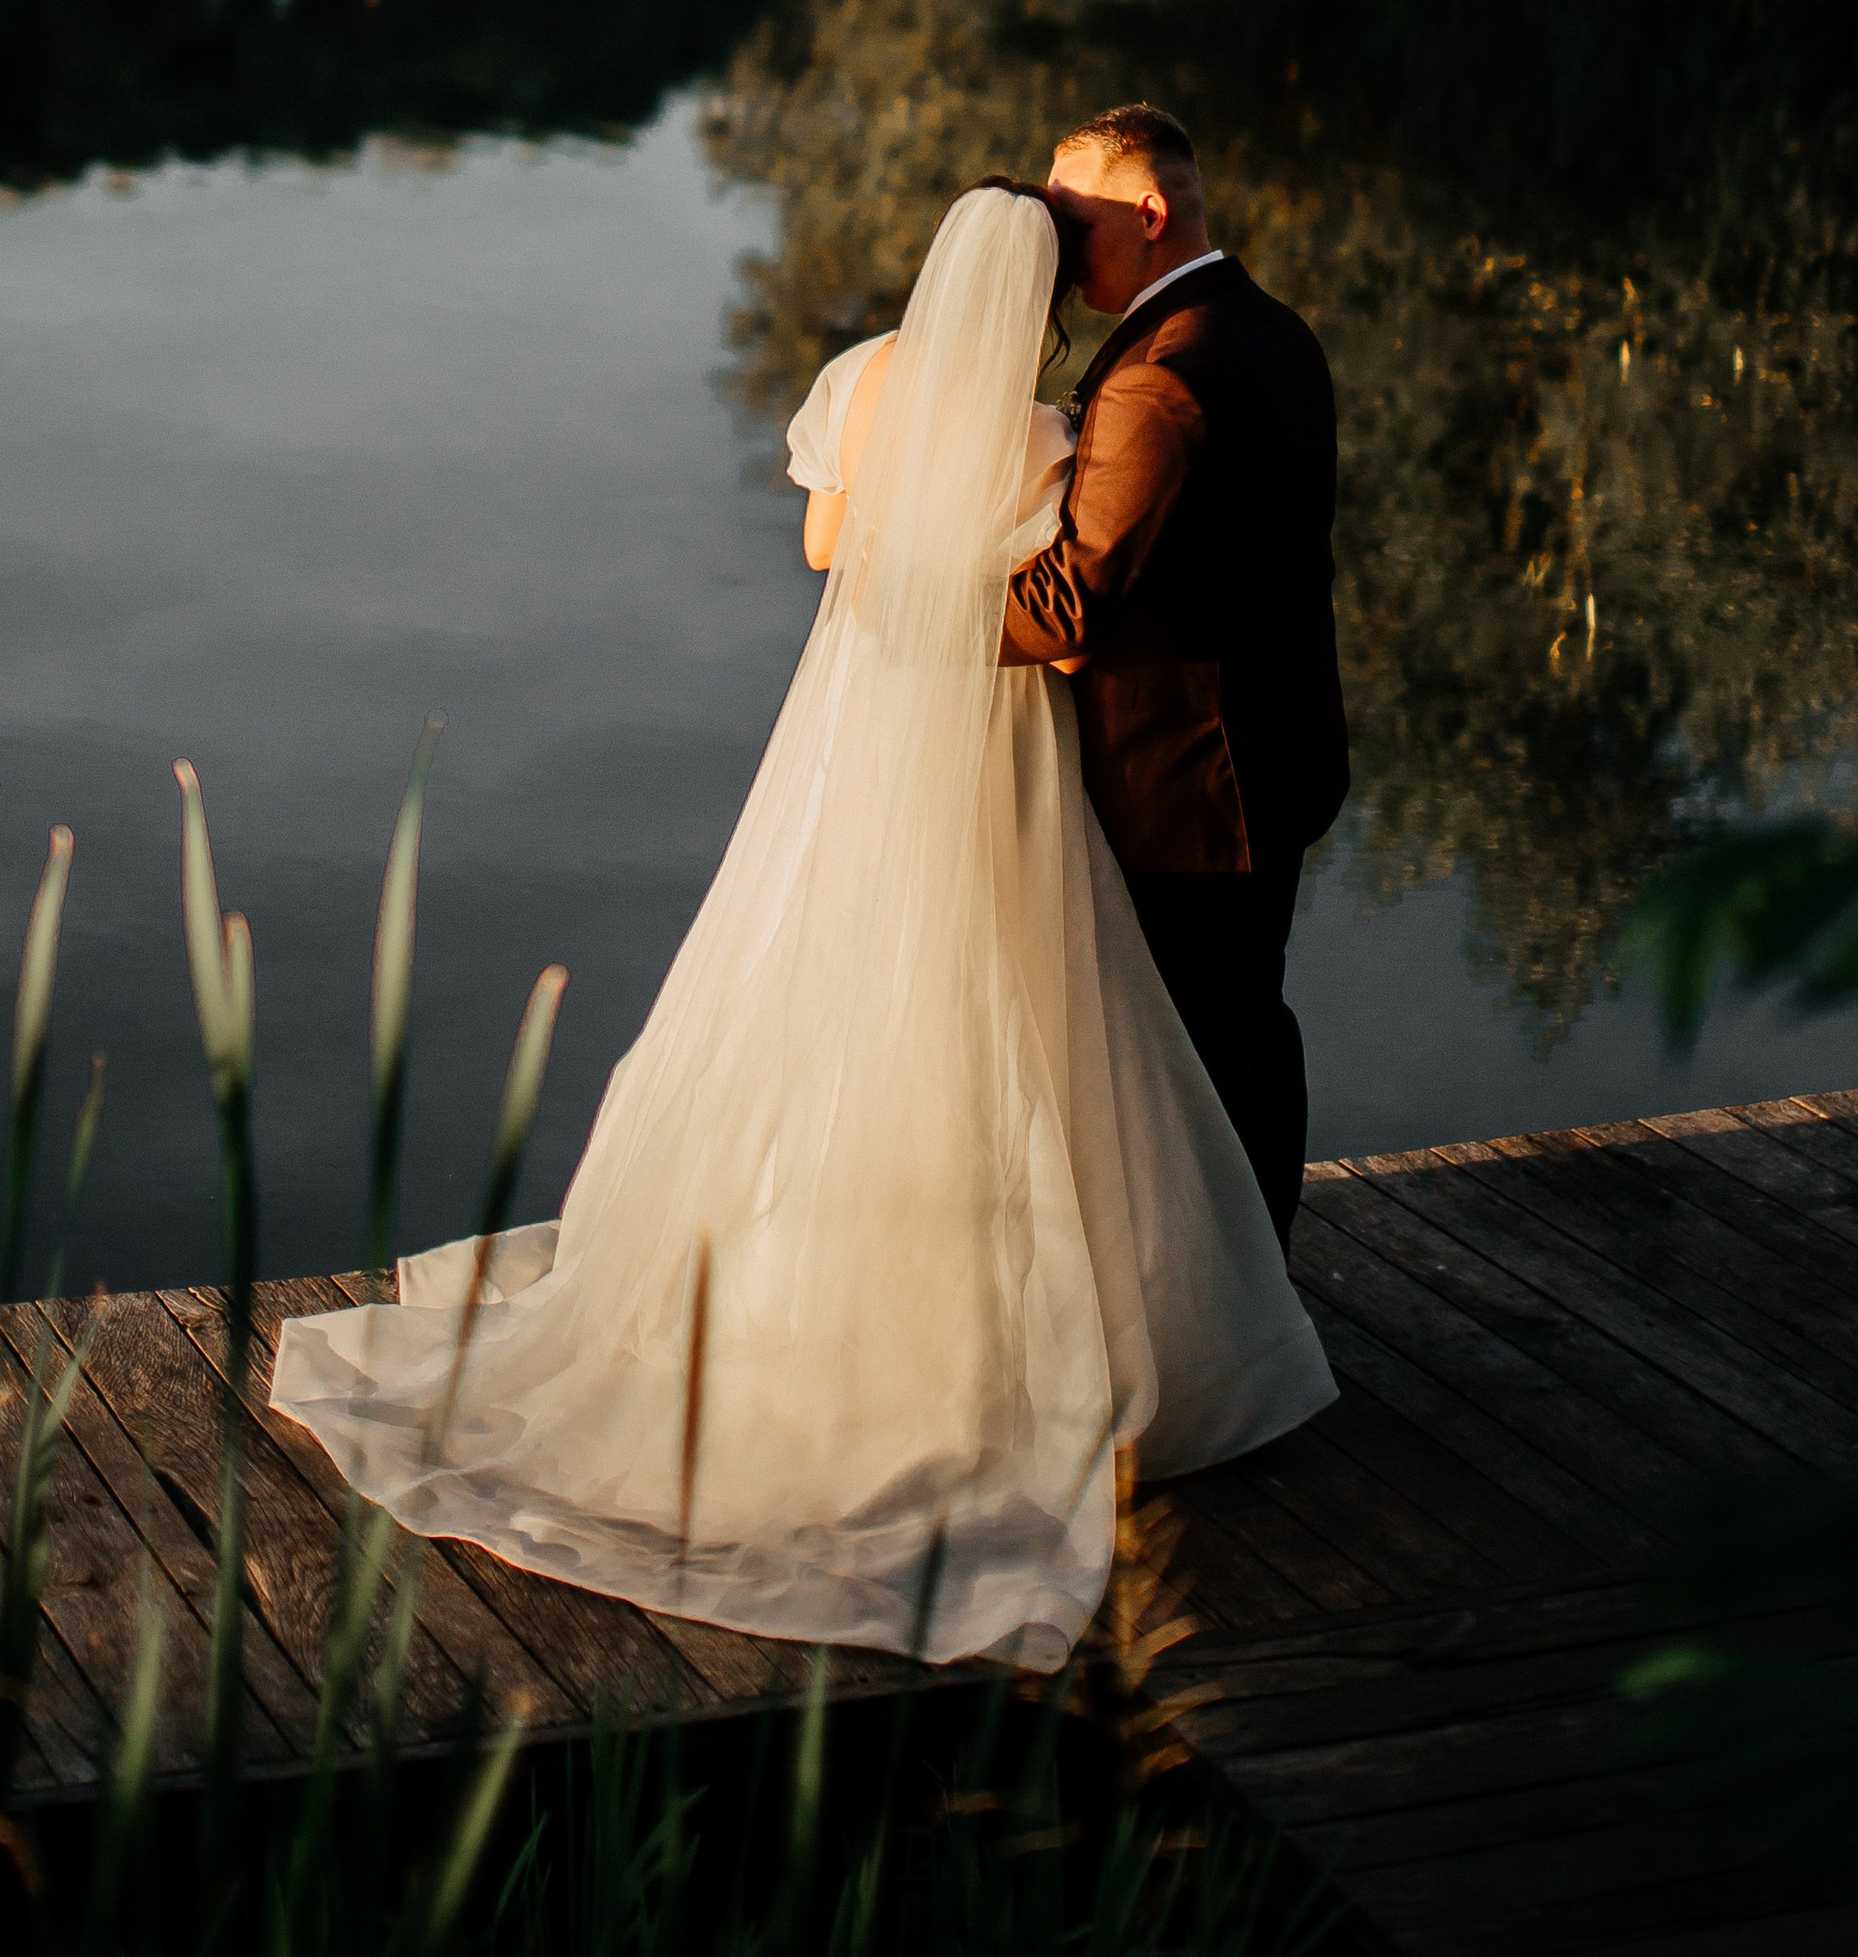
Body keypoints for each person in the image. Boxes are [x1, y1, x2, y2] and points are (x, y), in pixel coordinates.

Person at [270, 180, 1334, 1667]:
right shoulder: (1048, 439)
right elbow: (1058, 605)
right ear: (1040, 296)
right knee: (1003, 1006)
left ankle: (821, 1287)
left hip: (855, 727)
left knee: (835, 985)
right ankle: (1023, 1319)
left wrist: (904, 555)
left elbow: (831, 547)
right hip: (991, 744)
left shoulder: (859, 383)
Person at [1001, 104, 1347, 1250]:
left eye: (1070, 220)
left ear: (1147, 214)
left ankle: (1233, 1309)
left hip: (1191, 784)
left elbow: (1065, 604)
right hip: (1265, 749)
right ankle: (1251, 1288)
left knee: (1202, 1050)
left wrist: (891, 614)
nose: (1052, 245)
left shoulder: (1162, 372)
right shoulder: (1272, 329)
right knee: (1246, 1029)